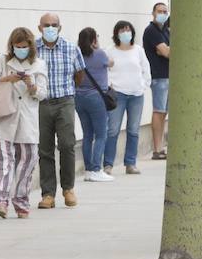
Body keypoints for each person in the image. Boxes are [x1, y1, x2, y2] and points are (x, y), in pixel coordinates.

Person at [0, 27, 46, 218]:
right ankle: (1, 201)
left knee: (28, 160)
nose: (21, 49)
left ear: (31, 46)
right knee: (3, 161)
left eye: (24, 46)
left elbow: (43, 94)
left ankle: (21, 200)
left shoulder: (39, 64)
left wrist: (31, 85)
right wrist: (7, 79)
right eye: (17, 46)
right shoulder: (2, 61)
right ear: (12, 46)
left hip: (27, 119)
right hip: (4, 117)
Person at [35, 12, 85, 208]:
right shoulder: (34, 50)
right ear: (39, 28)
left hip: (65, 100)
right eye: (46, 25)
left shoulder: (71, 48)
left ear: (60, 27)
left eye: (54, 25)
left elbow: (79, 74)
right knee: (44, 148)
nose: (50, 28)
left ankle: (68, 188)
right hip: (41, 102)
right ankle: (48, 194)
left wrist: (69, 91)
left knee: (66, 144)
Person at [104, 19, 152, 175]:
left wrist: (143, 85)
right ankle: (108, 164)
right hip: (117, 94)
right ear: (117, 34)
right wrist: (109, 85)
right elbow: (104, 71)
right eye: (122, 30)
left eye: (128, 30)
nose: (126, 33)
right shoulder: (110, 50)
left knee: (133, 130)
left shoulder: (138, 50)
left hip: (136, 95)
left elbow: (146, 68)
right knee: (113, 130)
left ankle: (130, 163)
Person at [74, 26, 113, 183]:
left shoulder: (76, 55)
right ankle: (97, 168)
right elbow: (111, 62)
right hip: (96, 98)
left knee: (87, 135)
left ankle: (89, 170)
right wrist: (98, 47)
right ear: (94, 40)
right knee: (101, 134)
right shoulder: (100, 54)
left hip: (79, 98)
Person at [143, 2, 171, 160]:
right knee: (159, 111)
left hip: (167, 75)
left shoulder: (165, 31)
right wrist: (166, 50)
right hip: (159, 76)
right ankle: (157, 148)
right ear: (153, 13)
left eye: (165, 11)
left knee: (163, 112)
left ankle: (160, 148)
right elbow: (166, 52)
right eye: (160, 11)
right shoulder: (152, 31)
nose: (163, 13)